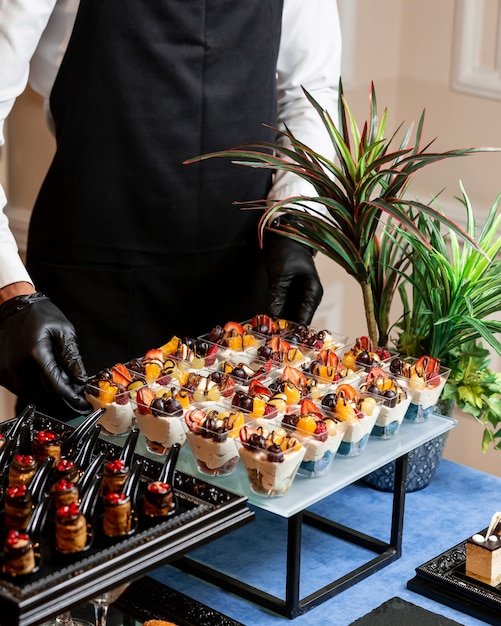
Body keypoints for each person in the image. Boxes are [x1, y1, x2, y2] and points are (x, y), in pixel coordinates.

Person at [0, 0, 342, 419]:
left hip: (241, 271)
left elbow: (310, 95)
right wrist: (8, 290)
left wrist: (292, 221)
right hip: (93, 273)